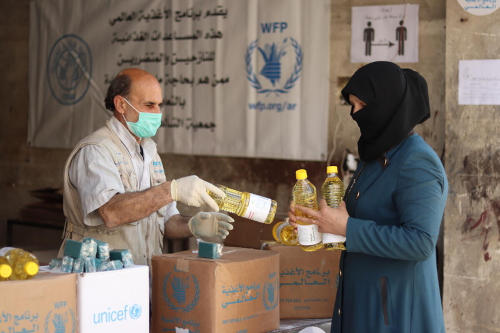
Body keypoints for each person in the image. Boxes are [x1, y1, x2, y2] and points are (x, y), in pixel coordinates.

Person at [289, 62, 448, 332]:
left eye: (362, 105)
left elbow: (421, 242)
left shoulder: (417, 162)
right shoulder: (376, 155)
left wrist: (346, 227)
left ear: (386, 104)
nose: (355, 113)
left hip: (394, 312)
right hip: (363, 300)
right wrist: (320, 221)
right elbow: (359, 218)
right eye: (352, 105)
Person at [59, 68, 234, 265]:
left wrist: (193, 225)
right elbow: (111, 212)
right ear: (121, 105)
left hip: (140, 275)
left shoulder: (150, 152)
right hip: (99, 276)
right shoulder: (96, 151)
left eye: (159, 105)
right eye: (149, 105)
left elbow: (167, 222)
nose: (157, 113)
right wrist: (171, 190)